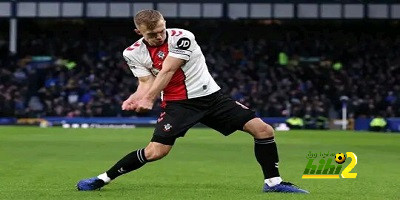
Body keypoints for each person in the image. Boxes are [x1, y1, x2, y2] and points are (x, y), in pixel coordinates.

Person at [77, 9, 308, 194]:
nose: (158, 36)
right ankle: (103, 178)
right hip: (179, 105)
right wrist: (135, 97)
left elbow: (167, 71)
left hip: (212, 98)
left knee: (263, 130)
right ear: (138, 32)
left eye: (160, 30)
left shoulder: (183, 37)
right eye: (151, 34)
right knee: (156, 152)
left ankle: (273, 183)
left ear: (164, 23)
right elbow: (146, 81)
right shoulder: (132, 53)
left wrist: (147, 99)